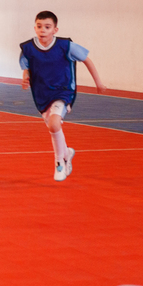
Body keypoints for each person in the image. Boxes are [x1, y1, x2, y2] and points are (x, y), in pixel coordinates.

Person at [20, 10, 106, 182]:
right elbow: (26, 67)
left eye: (47, 27)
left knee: (54, 123)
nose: (43, 30)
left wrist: (98, 82)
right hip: (42, 94)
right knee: (53, 127)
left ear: (55, 30)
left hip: (63, 91)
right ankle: (66, 152)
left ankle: (60, 162)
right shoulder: (28, 49)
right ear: (34, 28)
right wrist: (25, 78)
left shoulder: (66, 46)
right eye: (39, 26)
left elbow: (87, 60)